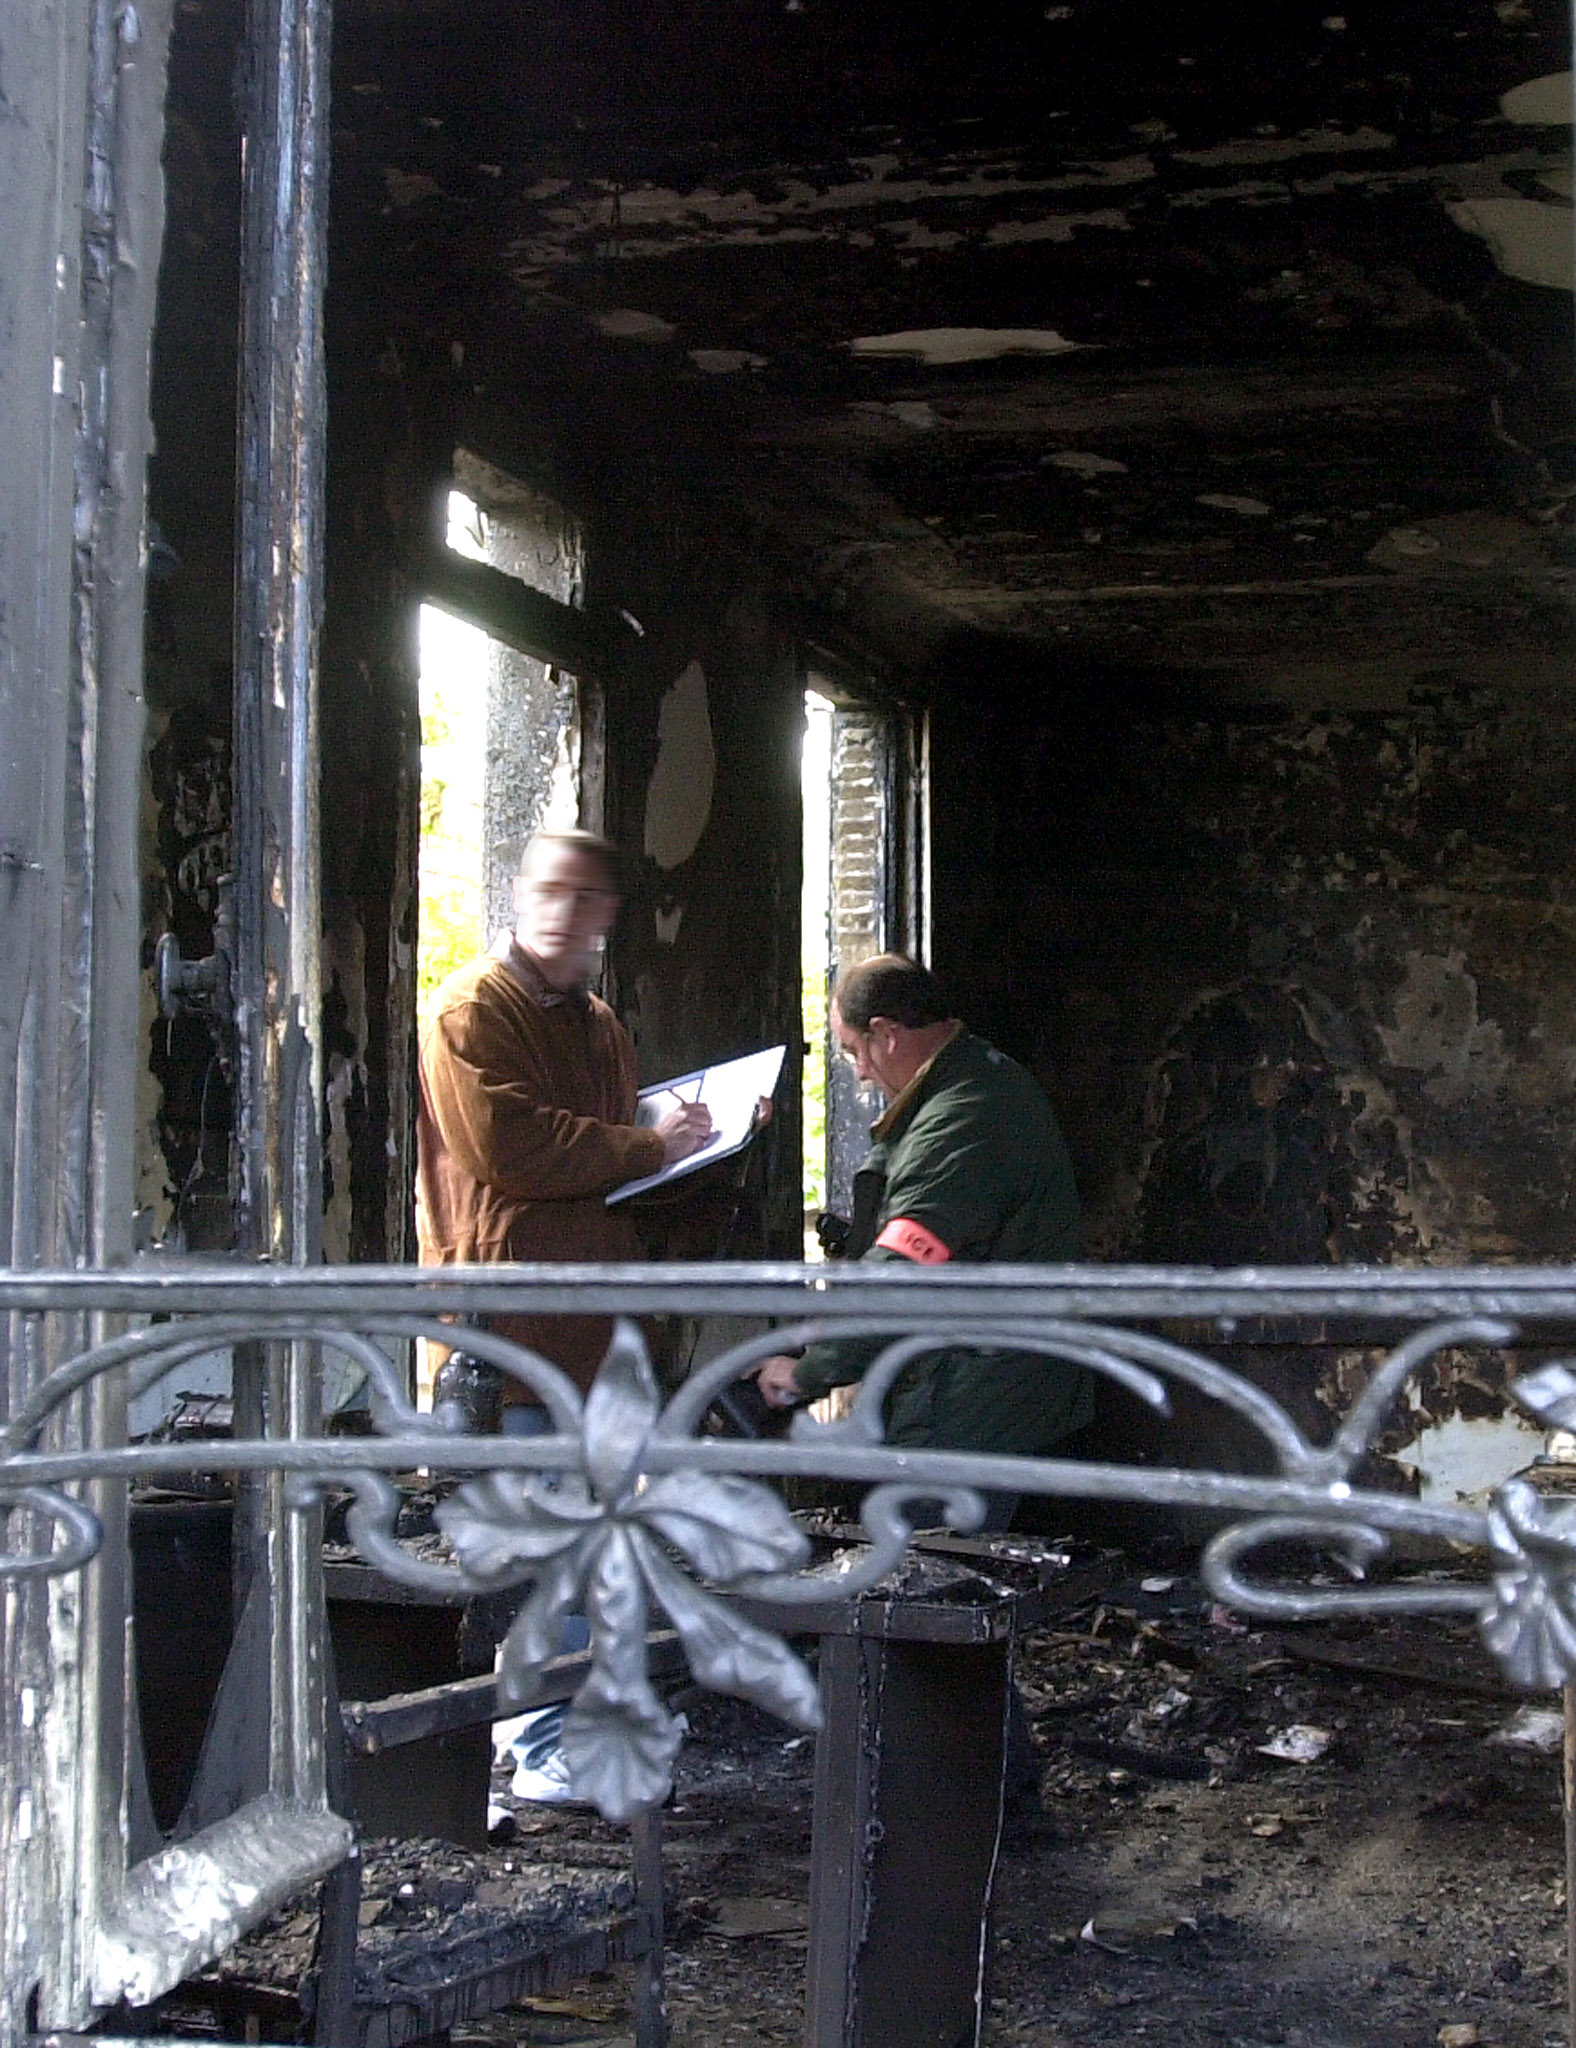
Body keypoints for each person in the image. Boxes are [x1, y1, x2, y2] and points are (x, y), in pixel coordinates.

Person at [416, 827, 713, 1801]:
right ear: (519, 894)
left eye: (587, 898)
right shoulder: (469, 1009)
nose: (567, 912)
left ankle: (584, 1719)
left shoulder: (598, 1025)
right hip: (511, 1326)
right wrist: (645, 1147)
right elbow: (514, 1147)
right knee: (535, 1536)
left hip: (595, 1320)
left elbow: (618, 1162)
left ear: (607, 917)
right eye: (551, 890)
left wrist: (693, 1148)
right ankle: (537, 1739)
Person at [755, 953, 1089, 1491]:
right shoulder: (975, 1081)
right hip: (998, 1387)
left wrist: (806, 1372)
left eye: (853, 1051)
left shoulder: (961, 1121)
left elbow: (904, 1268)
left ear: (885, 1034)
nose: (860, 1072)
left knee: (925, 1561)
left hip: (973, 1404)